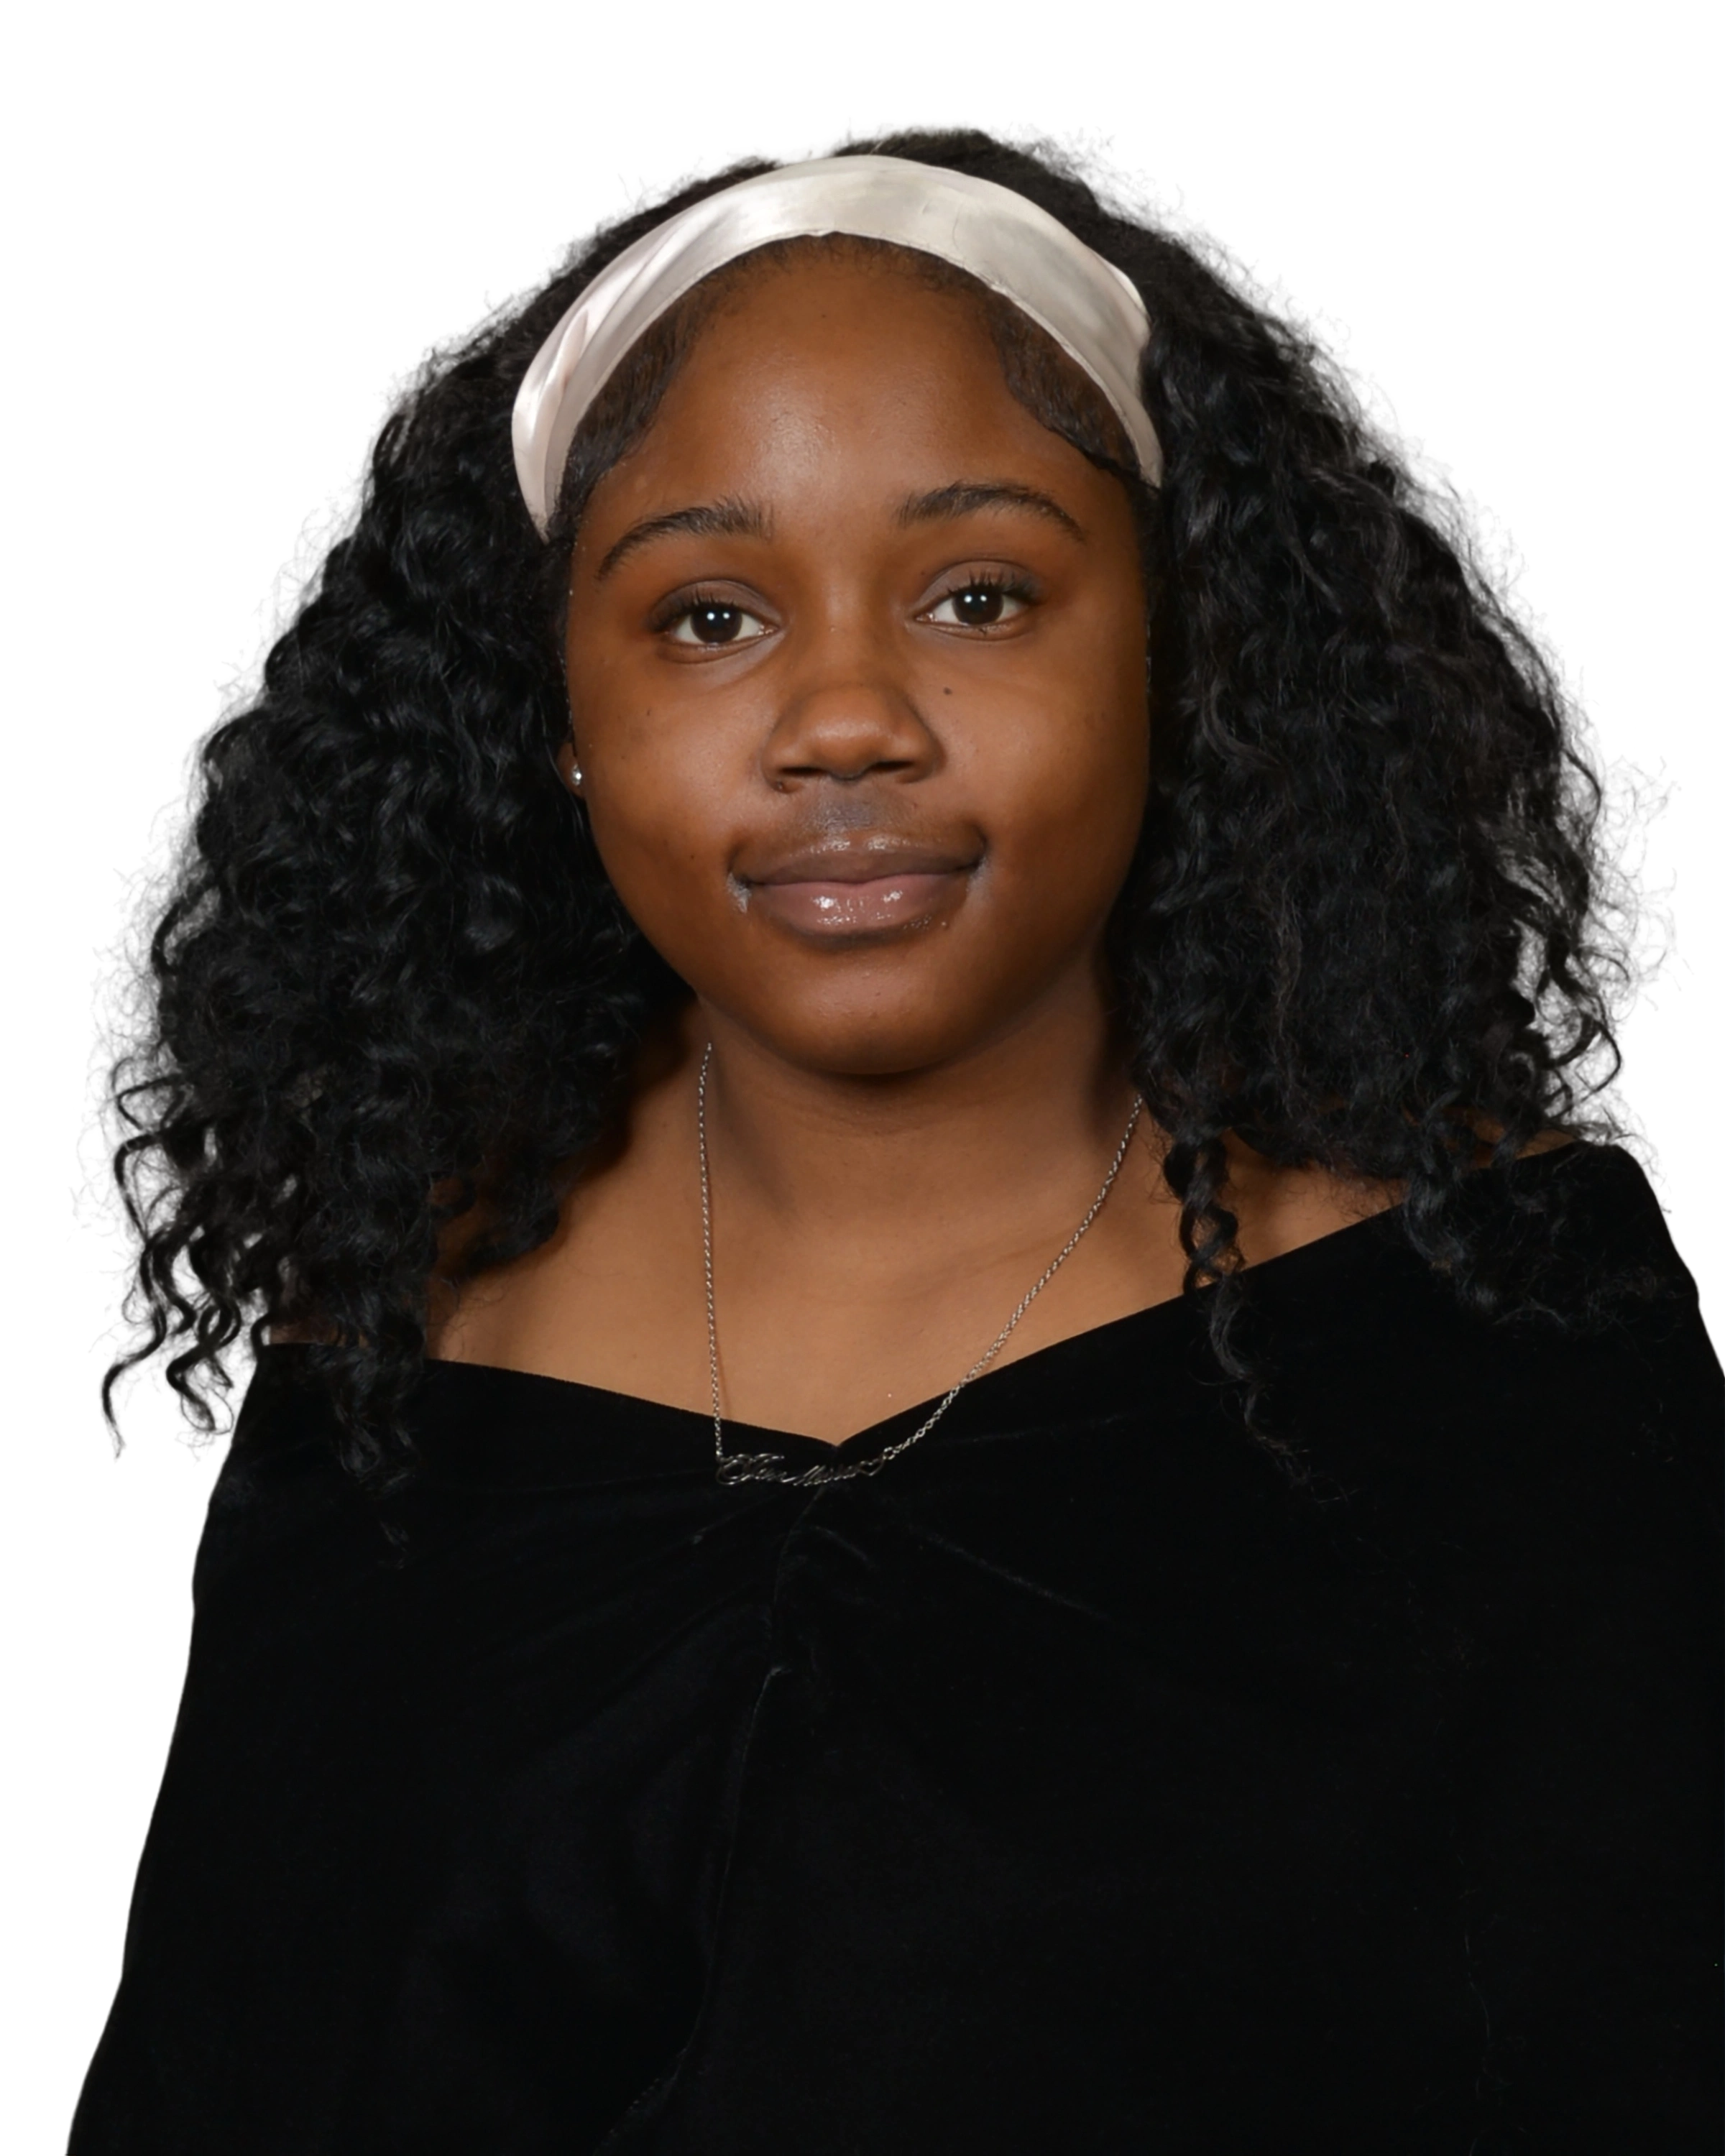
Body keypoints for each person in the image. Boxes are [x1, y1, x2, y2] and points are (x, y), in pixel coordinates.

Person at [64, 115, 1719, 2152]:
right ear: (556, 717)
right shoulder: (390, 1367)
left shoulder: (1487, 1334)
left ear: (1174, 655)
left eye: (979, 595)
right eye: (709, 617)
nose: (845, 718)